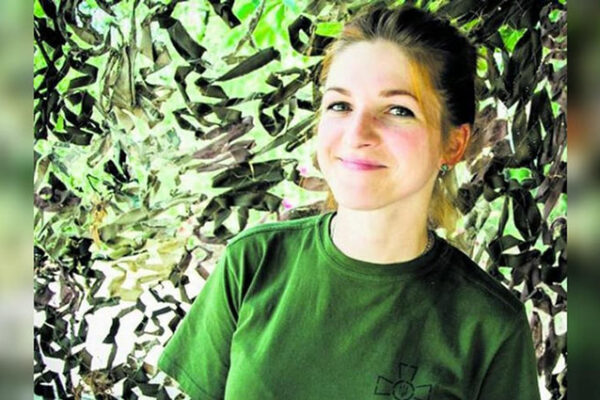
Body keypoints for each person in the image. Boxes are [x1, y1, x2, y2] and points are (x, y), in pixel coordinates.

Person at [158, 5, 541, 400]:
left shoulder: (490, 327)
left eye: (398, 110)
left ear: (453, 143)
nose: (357, 133)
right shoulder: (253, 264)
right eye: (340, 105)